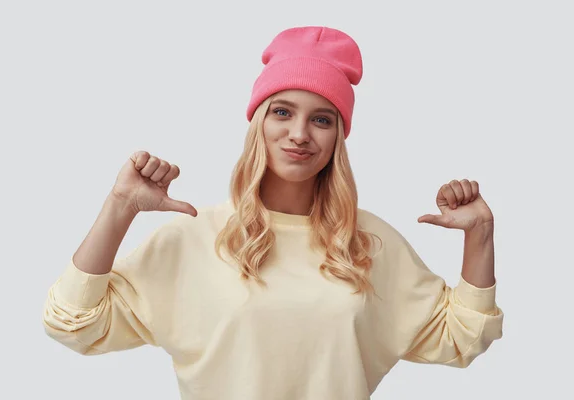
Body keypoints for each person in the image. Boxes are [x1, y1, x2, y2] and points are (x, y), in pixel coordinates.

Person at [42, 26, 503, 399]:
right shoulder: (194, 237)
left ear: (338, 139)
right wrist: (119, 208)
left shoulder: (369, 244)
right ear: (258, 122)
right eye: (282, 112)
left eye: (321, 119)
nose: (299, 133)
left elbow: (460, 337)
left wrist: (480, 233)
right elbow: (73, 324)